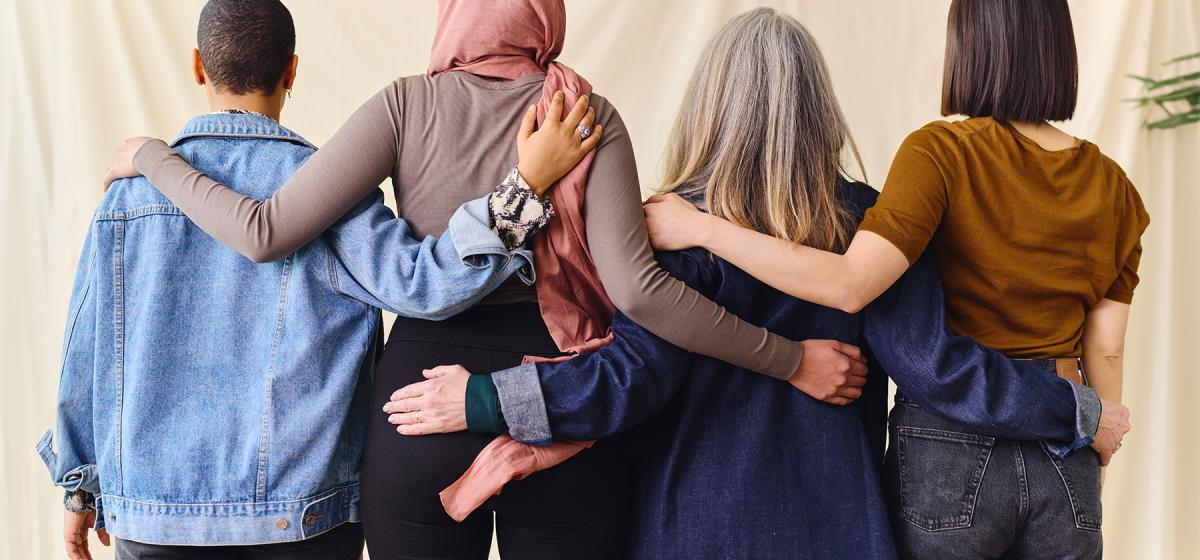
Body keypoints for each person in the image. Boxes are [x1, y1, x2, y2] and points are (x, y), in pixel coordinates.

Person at [100, 1, 874, 557]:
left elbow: (263, 232)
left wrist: (150, 157)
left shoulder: (406, 105)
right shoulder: (583, 114)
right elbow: (639, 294)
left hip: (418, 406)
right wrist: (790, 359)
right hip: (566, 408)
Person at [386, 8, 1121, 559]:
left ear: (711, 105)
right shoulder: (863, 224)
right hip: (843, 532)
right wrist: (1077, 409)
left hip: (693, 529)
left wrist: (485, 396)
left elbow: (630, 378)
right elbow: (938, 367)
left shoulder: (672, 228)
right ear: (819, 110)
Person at [40, 2, 591, 559]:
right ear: (292, 71)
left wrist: (78, 487)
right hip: (301, 521)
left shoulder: (128, 196)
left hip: (153, 518)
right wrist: (523, 194)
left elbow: (86, 354)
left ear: (198, 66)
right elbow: (426, 285)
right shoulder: (331, 196)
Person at [641, 1, 1141, 558]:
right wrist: (1093, 445)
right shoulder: (1116, 186)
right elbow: (1108, 350)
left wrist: (704, 229)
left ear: (969, 49)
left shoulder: (940, 154)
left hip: (951, 446)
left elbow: (855, 284)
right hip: (1063, 440)